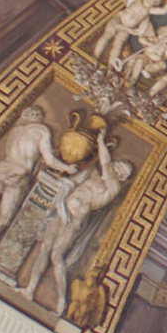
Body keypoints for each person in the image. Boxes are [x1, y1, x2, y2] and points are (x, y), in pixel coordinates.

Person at [17, 129, 133, 309]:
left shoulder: (113, 186)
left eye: (122, 170)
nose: (117, 169)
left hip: (74, 221)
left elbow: (105, 162)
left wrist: (101, 142)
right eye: (119, 165)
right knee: (44, 248)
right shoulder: (94, 176)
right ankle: (30, 289)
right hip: (61, 211)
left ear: (123, 177)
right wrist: (61, 200)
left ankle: (62, 301)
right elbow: (74, 183)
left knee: (57, 256)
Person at [0, 107, 77, 261]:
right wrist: (67, 168)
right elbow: (50, 159)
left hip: (1, 170)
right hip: (17, 176)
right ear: (38, 117)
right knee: (3, 219)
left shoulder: (15, 131)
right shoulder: (41, 130)